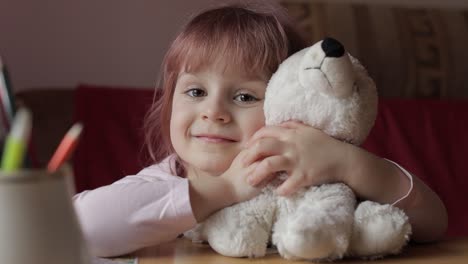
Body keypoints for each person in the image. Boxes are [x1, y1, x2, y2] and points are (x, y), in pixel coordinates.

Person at [73, 2, 448, 258]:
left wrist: (350, 165)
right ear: (171, 103)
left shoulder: (306, 174)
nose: (213, 111)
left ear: (287, 106)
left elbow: (433, 223)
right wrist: (224, 189)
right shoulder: (167, 179)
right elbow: (76, 227)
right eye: (196, 91)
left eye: (243, 96)